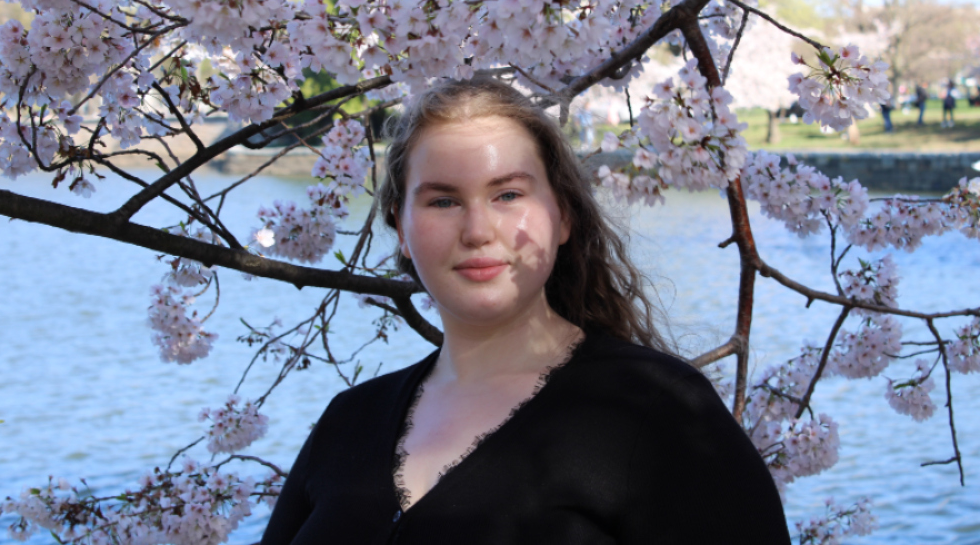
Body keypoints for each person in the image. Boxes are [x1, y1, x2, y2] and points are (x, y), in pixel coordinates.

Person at [260, 77, 790, 545]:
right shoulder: (349, 421)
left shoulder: (656, 410)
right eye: (442, 201)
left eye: (508, 194)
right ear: (400, 226)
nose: (477, 231)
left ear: (562, 216)